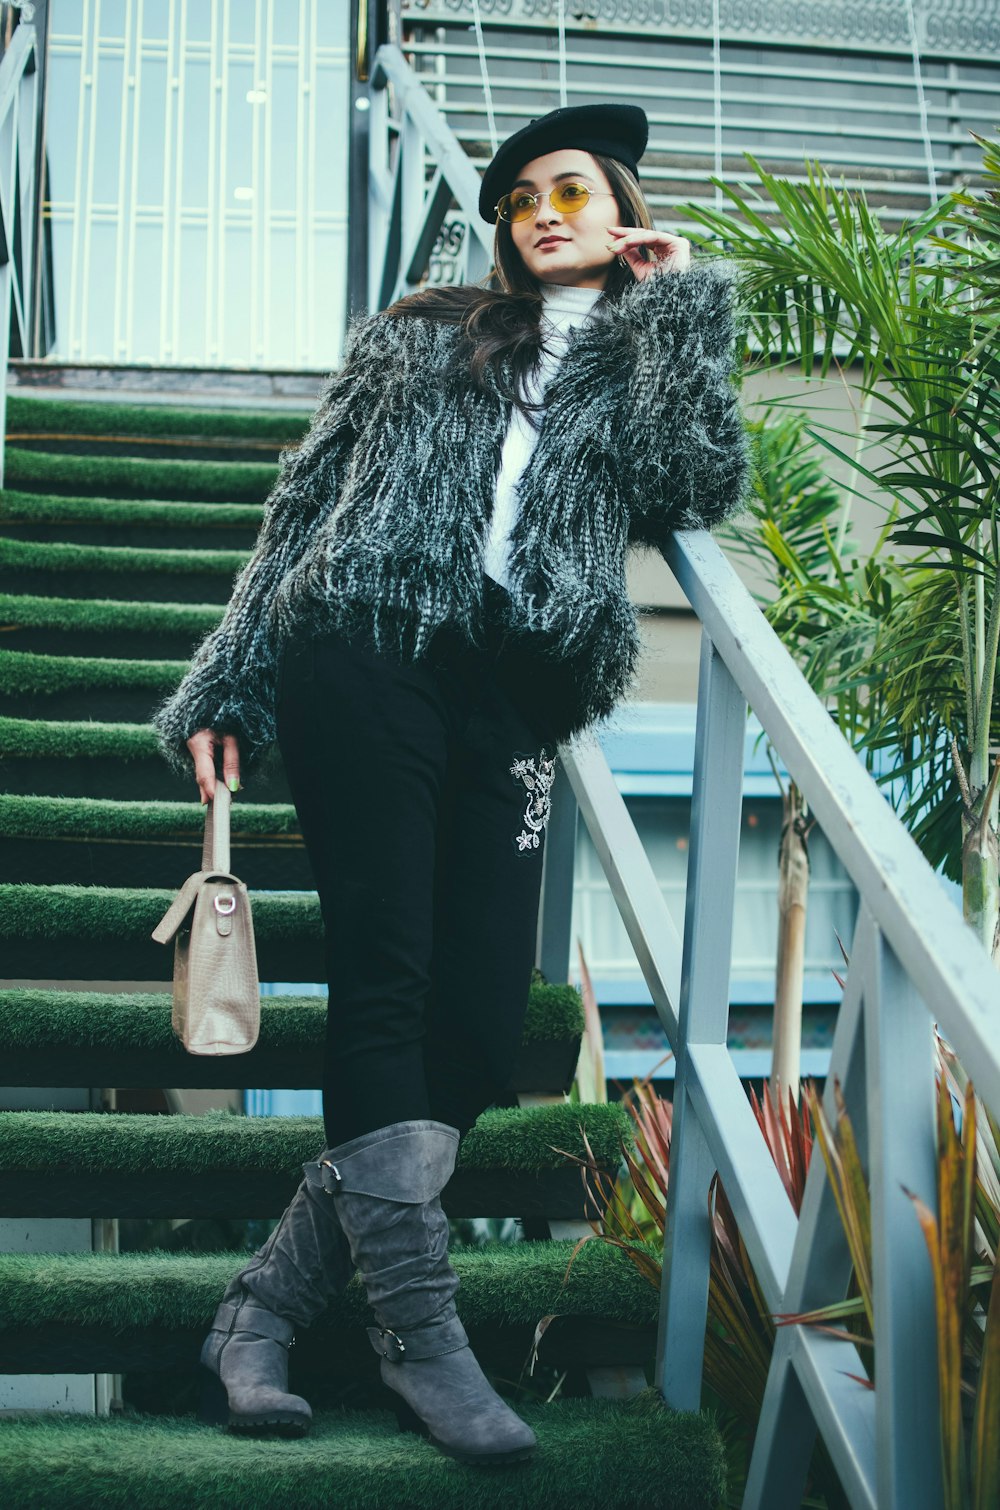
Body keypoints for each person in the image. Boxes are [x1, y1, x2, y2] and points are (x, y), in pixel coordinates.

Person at [152, 102, 750, 1465]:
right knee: (390, 979)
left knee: (477, 1026)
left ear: (622, 214)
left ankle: (262, 1306)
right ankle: (424, 1339)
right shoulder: (424, 333)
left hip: (517, 691)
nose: (543, 211)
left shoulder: (634, 361)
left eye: (574, 192)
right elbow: (300, 511)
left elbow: (698, 478)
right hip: (368, 644)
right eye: (523, 196)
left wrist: (679, 310)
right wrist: (226, 684)